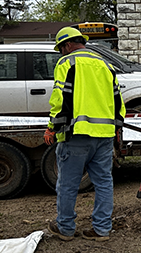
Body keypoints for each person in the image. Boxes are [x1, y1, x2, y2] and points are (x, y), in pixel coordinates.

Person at [45, 26, 125, 241]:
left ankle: (65, 228)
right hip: (104, 134)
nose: (61, 53)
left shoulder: (68, 62)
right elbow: (118, 100)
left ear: (67, 44)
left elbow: (59, 98)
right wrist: (117, 127)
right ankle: (101, 229)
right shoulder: (105, 65)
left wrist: (52, 126)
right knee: (104, 182)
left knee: (68, 184)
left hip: (76, 135)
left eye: (61, 48)